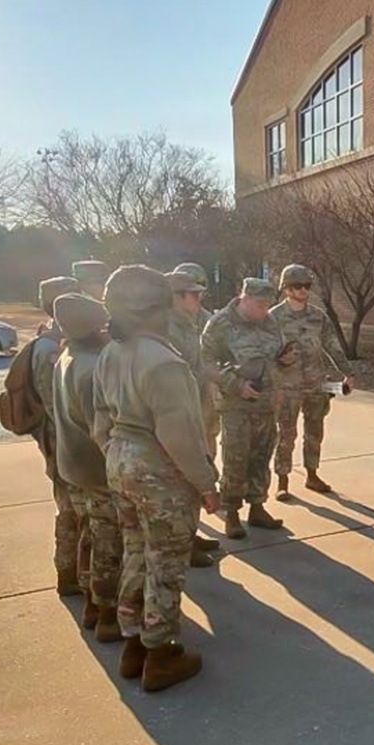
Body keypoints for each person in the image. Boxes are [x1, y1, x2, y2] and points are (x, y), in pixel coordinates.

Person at [93, 265, 220, 691]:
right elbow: (180, 436)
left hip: (121, 461)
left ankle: (134, 645)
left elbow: (99, 417)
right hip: (158, 470)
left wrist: (114, 452)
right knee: (165, 560)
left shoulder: (112, 352)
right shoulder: (163, 362)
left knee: (135, 549)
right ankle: (160, 654)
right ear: (158, 307)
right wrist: (205, 484)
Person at [52, 293, 123, 641]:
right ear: (92, 329)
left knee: (88, 535)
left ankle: (92, 604)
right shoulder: (94, 367)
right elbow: (103, 431)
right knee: (108, 541)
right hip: (97, 471)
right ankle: (108, 613)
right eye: (103, 326)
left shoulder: (66, 357)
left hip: (72, 467)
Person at [202, 277, 291, 538]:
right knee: (236, 458)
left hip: (266, 402)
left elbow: (276, 353)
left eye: (267, 304)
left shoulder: (270, 322)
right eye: (260, 304)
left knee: (261, 456)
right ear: (245, 298)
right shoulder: (220, 324)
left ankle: (257, 507)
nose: (265, 310)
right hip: (236, 404)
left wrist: (285, 360)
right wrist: (235, 384)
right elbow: (205, 362)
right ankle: (231, 514)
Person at [269, 264, 354, 497]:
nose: (303, 290)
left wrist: (347, 372)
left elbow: (332, 346)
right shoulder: (273, 318)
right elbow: (265, 352)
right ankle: (283, 481)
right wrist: (278, 362)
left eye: (306, 286)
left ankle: (312, 474)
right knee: (286, 434)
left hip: (316, 383)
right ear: (287, 288)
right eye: (297, 286)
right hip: (287, 386)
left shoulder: (318, 316)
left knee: (314, 431)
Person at [32, 275, 84, 596]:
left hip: (66, 439)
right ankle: (68, 571)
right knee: (69, 509)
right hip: (64, 441)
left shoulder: (58, 339)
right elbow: (54, 405)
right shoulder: (49, 347)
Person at [166, 270, 222, 568]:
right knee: (180, 480)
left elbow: (202, 366)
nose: (200, 298)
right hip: (180, 415)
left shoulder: (188, 324)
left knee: (193, 479)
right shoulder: (166, 329)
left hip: (198, 408)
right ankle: (181, 543)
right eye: (193, 294)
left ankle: (190, 533)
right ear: (175, 298)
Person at [172, 261, 221, 456]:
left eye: (200, 290)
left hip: (205, 392)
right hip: (178, 395)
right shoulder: (163, 324)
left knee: (209, 436)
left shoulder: (210, 321)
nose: (198, 296)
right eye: (193, 292)